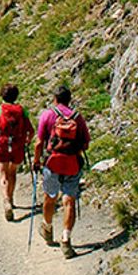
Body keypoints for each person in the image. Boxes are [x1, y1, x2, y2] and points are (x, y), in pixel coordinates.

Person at [32, 85, 90, 259]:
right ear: (69, 99)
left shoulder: (48, 115)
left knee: (50, 197)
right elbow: (86, 143)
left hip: (53, 163)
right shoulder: (77, 118)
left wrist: (36, 161)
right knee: (69, 200)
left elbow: (39, 142)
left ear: (55, 99)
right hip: (72, 163)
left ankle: (47, 228)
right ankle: (66, 239)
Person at [0, 83, 34, 221]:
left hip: (2, 146)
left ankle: (6, 200)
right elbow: (31, 130)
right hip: (17, 145)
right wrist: (27, 141)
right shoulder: (22, 110)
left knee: (3, 174)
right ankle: (11, 199)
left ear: (2, 95)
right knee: (12, 173)